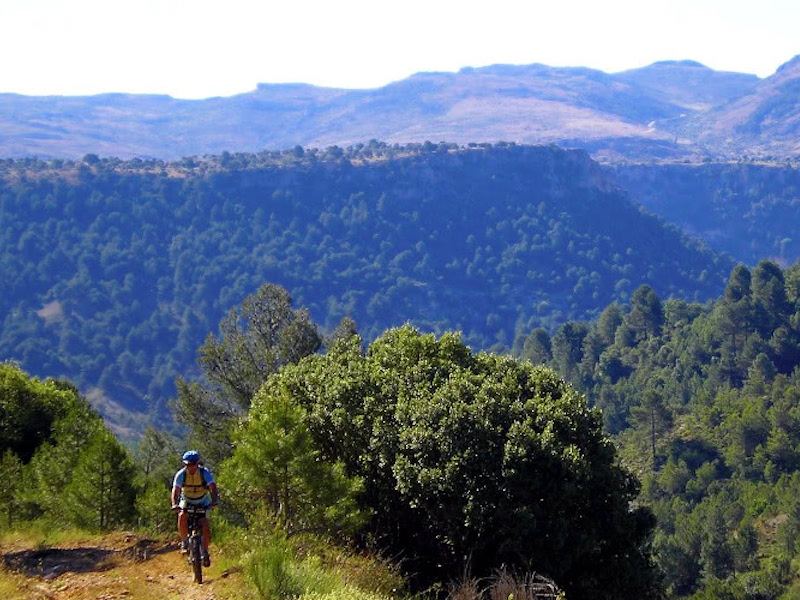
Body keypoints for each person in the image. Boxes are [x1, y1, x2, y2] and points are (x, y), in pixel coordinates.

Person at [171, 450, 218, 567]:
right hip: (187, 500)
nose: (190, 467)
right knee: (182, 515)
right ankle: (184, 542)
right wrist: (174, 504)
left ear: (197, 463)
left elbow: (212, 487)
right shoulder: (181, 474)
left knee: (205, 524)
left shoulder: (204, 473)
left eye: (192, 464)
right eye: (187, 465)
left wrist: (214, 501)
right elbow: (175, 490)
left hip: (202, 501)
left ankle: (205, 551)